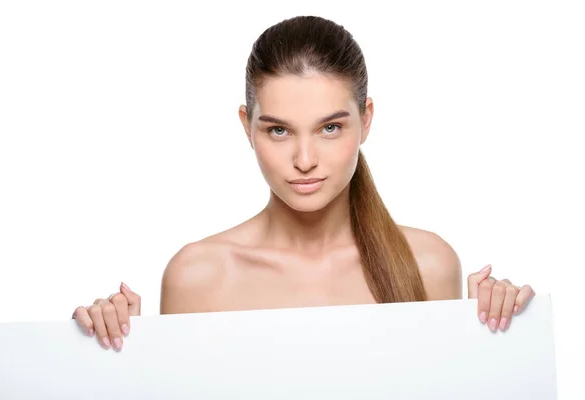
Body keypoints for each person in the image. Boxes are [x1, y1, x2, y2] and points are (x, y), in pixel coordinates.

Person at [72, 15, 535, 352]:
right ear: (246, 126)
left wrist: (499, 335)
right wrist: (108, 354)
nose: (305, 160)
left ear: (366, 119)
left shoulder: (428, 264)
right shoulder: (199, 276)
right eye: (279, 130)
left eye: (330, 128)